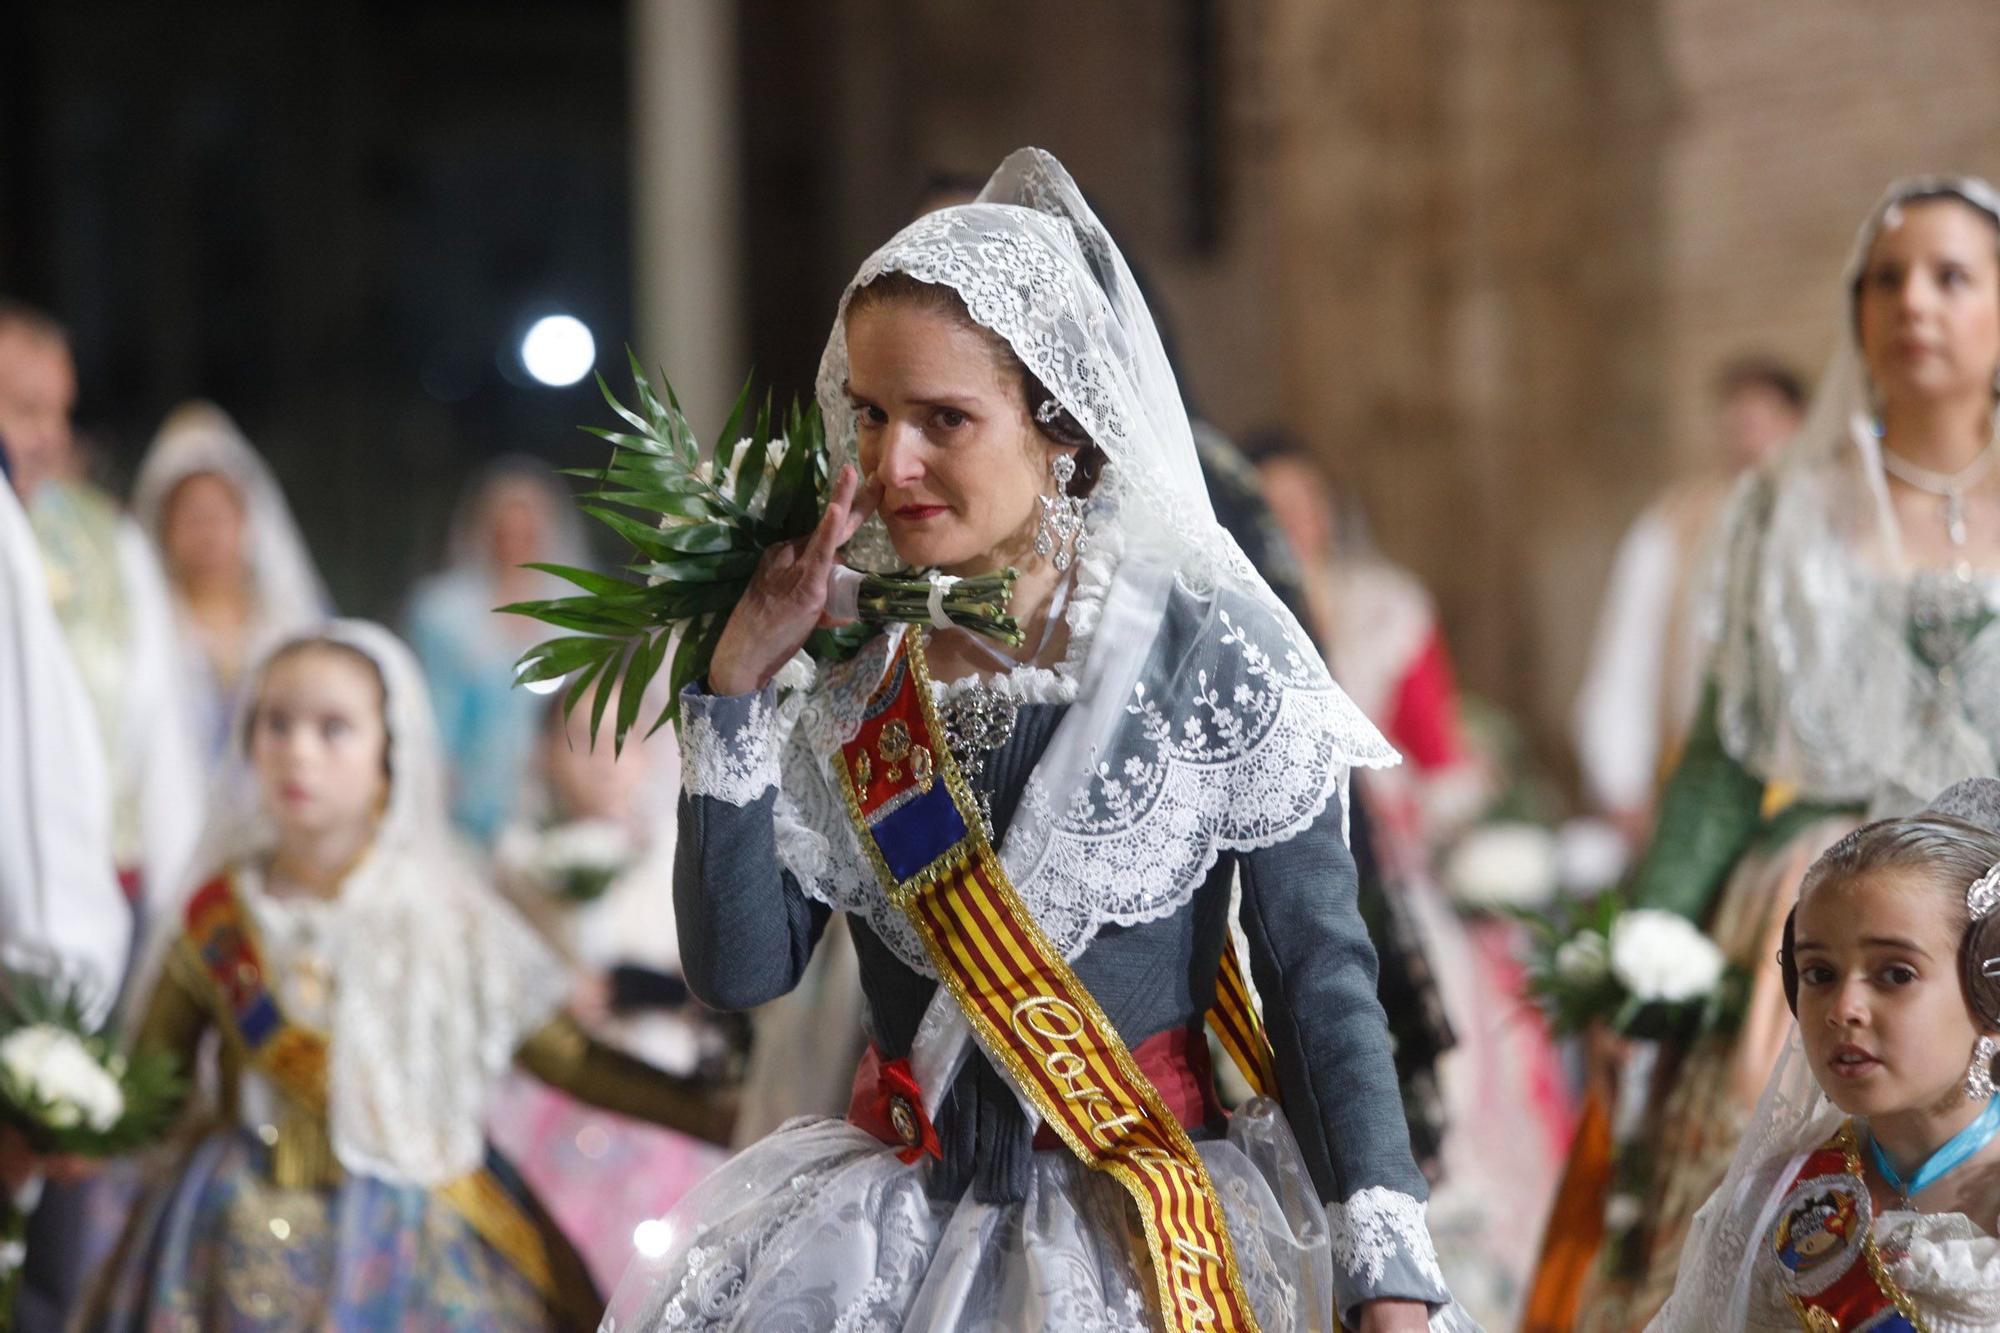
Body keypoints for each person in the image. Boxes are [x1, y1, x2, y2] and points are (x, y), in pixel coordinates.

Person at [603, 149, 1472, 1333]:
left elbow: (1319, 981)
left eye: (942, 419)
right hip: (895, 1240)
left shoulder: (1207, 650)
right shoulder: (856, 670)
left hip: (1146, 1242)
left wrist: (1386, 1281)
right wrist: (734, 694)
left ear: (1059, 425)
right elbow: (743, 971)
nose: (887, 461)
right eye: (868, 412)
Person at [1546, 175, 2000, 1330]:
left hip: (1992, 915)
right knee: (1767, 1231)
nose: (1915, 303)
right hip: (1816, 901)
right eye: (1886, 278)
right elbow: (1721, 753)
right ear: (1853, 315)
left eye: (1951, 276)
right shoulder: (1781, 512)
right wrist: (1650, 932)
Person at [78, 622, 728, 1331]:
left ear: (392, 748)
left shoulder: (448, 915)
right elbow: (153, 1083)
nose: (298, 750)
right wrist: (61, 1114)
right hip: (231, 1227)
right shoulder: (220, 916)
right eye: (277, 723)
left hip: (413, 1226)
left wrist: (720, 1114)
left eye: (333, 728)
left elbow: (566, 1058)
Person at [1253, 434, 1562, 1328]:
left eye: (1303, 504)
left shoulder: (1384, 607)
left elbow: (1438, 755)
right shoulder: (1231, 610)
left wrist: (1432, 809)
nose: (1290, 523)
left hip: (1383, 862)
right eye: (1270, 506)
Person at [1656, 780, 2000, 1329]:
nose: (1844, 1009)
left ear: (1990, 989)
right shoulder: (1773, 1196)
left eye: (1895, 974)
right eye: (1819, 974)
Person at [487, 692, 736, 1289]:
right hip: (553, 1096)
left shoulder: (681, 858)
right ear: (546, 752)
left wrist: (645, 988)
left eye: (621, 737)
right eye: (581, 738)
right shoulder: (518, 863)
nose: (603, 757)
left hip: (663, 1087)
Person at [0, 301, 203, 922]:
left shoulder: (111, 541)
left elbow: (158, 727)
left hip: (103, 891)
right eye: (27, 410)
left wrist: (174, 899)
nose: (53, 438)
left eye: (62, 412)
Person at [1572, 358, 1806, 852]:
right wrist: (1623, 783)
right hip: (1697, 773)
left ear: (1797, 422)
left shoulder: (1831, 522)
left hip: (1805, 779)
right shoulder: (1673, 525)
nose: (1748, 434)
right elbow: (1627, 652)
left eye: (1762, 418)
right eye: (1737, 418)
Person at [131, 401, 331, 762]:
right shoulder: (144, 623)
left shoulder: (290, 617)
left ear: (245, 520)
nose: (207, 536)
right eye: (191, 518)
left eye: (218, 517)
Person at [407, 456, 588, 844]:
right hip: (469, 803)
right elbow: (432, 714)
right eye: (505, 531)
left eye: (527, 532)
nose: (515, 542)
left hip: (561, 800)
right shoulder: (443, 615)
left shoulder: (581, 612)